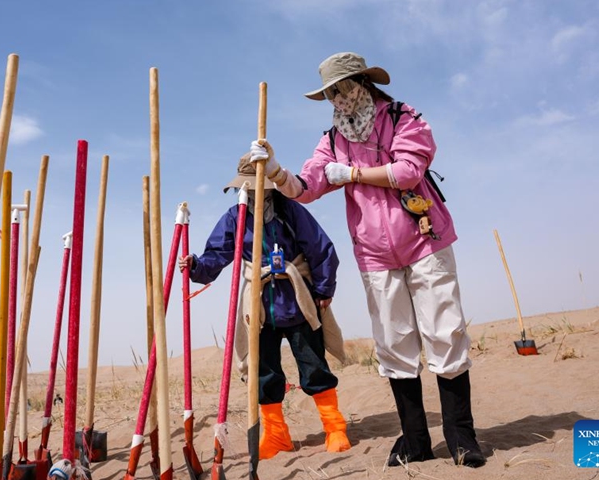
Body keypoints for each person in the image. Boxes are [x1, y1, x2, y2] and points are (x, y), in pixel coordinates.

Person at [249, 52, 486, 468]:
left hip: (423, 239)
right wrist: (276, 171)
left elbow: (409, 170)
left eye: (342, 89)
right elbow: (307, 186)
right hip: (374, 253)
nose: (337, 100)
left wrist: (354, 175)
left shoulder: (402, 117)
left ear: (363, 82)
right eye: (330, 94)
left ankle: (461, 437)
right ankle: (415, 439)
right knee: (394, 342)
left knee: (444, 333)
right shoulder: (333, 140)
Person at [178, 153, 351, 459]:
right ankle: (276, 435)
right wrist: (195, 266)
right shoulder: (235, 217)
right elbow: (216, 255)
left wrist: (323, 289)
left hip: (298, 302)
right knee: (265, 374)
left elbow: (322, 249)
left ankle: (334, 427)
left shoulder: (291, 211)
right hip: (260, 309)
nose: (256, 193)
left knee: (314, 368)